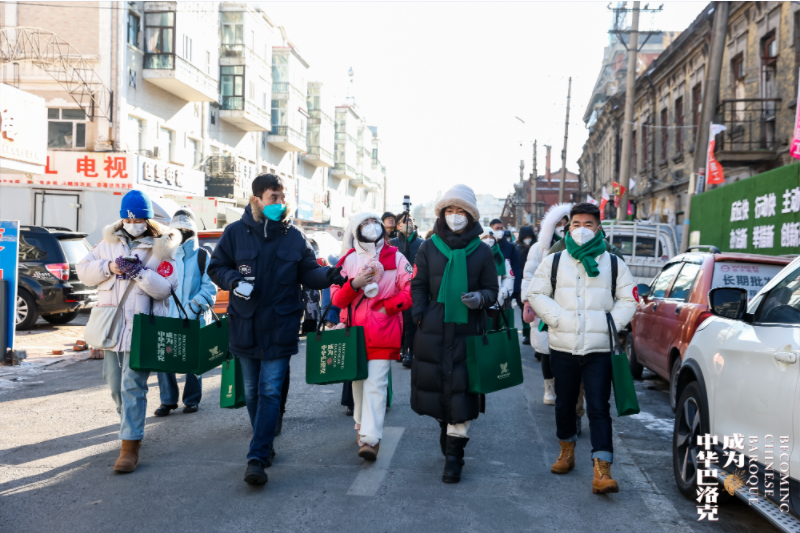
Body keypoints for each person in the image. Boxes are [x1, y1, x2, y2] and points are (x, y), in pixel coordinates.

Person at [208, 173, 346, 486]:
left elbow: (309, 272)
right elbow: (216, 267)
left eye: (282, 197)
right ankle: (265, 442)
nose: (279, 203)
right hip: (245, 324)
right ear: (256, 199)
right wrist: (234, 283)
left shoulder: (294, 237)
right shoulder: (234, 233)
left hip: (281, 325)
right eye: (274, 197)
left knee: (271, 391)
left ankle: (256, 457)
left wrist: (333, 275)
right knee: (254, 392)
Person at [527, 202, 637, 495]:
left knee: (599, 407)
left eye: (588, 224)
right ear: (568, 227)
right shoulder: (555, 260)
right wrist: (559, 318)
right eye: (576, 224)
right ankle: (566, 450)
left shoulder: (613, 262)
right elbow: (536, 292)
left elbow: (629, 300)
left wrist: (610, 322)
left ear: (598, 228)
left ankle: (602, 468)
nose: (582, 230)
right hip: (563, 345)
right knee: (564, 404)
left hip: (599, 349)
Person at [77, 190, 180, 474]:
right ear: (122, 216)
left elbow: (168, 287)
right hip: (112, 327)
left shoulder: (164, 247)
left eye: (139, 217)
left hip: (144, 328)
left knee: (133, 385)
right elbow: (83, 271)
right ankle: (129, 425)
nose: (133, 221)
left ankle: (129, 445)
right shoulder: (108, 242)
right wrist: (109, 266)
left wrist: (140, 273)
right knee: (114, 383)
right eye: (128, 216)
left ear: (148, 218)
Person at [411, 184, 499, 484]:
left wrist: (480, 299)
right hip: (434, 329)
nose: (455, 216)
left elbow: (492, 290)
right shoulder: (429, 247)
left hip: (468, 330)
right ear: (441, 213)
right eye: (450, 210)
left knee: (462, 392)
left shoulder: (483, 251)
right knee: (438, 393)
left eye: (460, 211)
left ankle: (454, 457)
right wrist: (420, 314)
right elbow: (418, 285)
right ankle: (446, 432)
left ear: (471, 216)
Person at [330, 210, 411, 460]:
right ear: (355, 229)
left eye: (374, 222)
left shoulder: (396, 257)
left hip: (384, 330)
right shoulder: (348, 260)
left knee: (376, 383)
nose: (371, 227)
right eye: (364, 223)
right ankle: (361, 424)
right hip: (353, 333)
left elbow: (409, 291)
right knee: (357, 382)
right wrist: (354, 284)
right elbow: (336, 298)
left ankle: (370, 438)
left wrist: (388, 307)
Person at [154, 208, 217, 417]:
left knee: (193, 361)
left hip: (194, 317)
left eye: (185, 229)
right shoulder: (164, 256)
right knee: (164, 360)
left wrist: (193, 307)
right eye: (177, 229)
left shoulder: (202, 256)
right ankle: (168, 400)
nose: (182, 233)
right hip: (167, 315)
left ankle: (191, 400)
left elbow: (209, 288)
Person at [522, 203, 571, 405]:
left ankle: (566, 388)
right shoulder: (538, 248)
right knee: (545, 349)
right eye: (557, 223)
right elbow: (528, 276)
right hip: (543, 305)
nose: (561, 226)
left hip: (568, 306)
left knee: (566, 350)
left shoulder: (576, 246)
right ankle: (549, 387)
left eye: (564, 223)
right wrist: (527, 301)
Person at [390, 212, 423, 368]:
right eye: (405, 221)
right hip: (397, 289)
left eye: (411, 219)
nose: (409, 222)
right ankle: (401, 348)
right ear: (398, 225)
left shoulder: (423, 244)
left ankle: (410, 351)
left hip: (416, 287)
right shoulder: (392, 244)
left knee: (412, 320)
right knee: (399, 320)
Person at [489, 218, 521, 306]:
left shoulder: (511, 247)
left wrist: (516, 290)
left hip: (506, 288)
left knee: (505, 314)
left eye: (501, 228)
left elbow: (516, 268)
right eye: (497, 228)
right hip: (490, 288)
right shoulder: (486, 246)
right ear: (491, 229)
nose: (500, 231)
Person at [480, 230, 514, 309]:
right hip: (478, 301)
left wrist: (504, 291)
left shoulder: (501, 258)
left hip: (498, 302)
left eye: (492, 237)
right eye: (485, 237)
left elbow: (509, 277)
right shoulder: (474, 256)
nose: (489, 240)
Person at [516, 226, 536, 345]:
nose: (527, 239)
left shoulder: (537, 248)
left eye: (530, 237)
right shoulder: (517, 250)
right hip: (522, 284)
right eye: (525, 237)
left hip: (537, 283)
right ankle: (527, 335)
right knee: (526, 311)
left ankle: (535, 337)